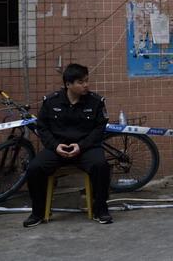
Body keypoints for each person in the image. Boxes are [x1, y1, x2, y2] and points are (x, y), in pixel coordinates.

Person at [23, 63, 112, 227]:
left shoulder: (95, 102)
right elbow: (42, 128)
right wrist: (55, 146)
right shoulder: (51, 102)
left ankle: (101, 209)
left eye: (87, 80)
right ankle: (38, 212)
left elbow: (99, 129)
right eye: (81, 82)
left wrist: (81, 146)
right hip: (57, 149)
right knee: (34, 168)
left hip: (86, 148)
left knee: (101, 165)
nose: (86, 85)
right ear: (68, 84)